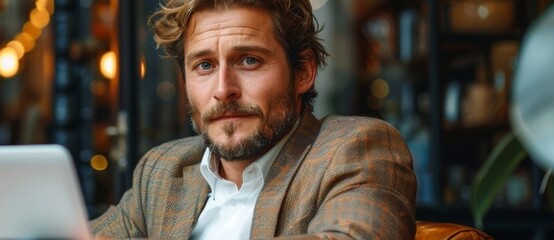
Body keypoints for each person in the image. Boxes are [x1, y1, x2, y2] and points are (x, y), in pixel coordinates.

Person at [90, 0, 417, 238]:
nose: (223, 90)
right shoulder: (163, 170)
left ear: (303, 72)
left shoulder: (357, 150)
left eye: (248, 60)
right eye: (204, 65)